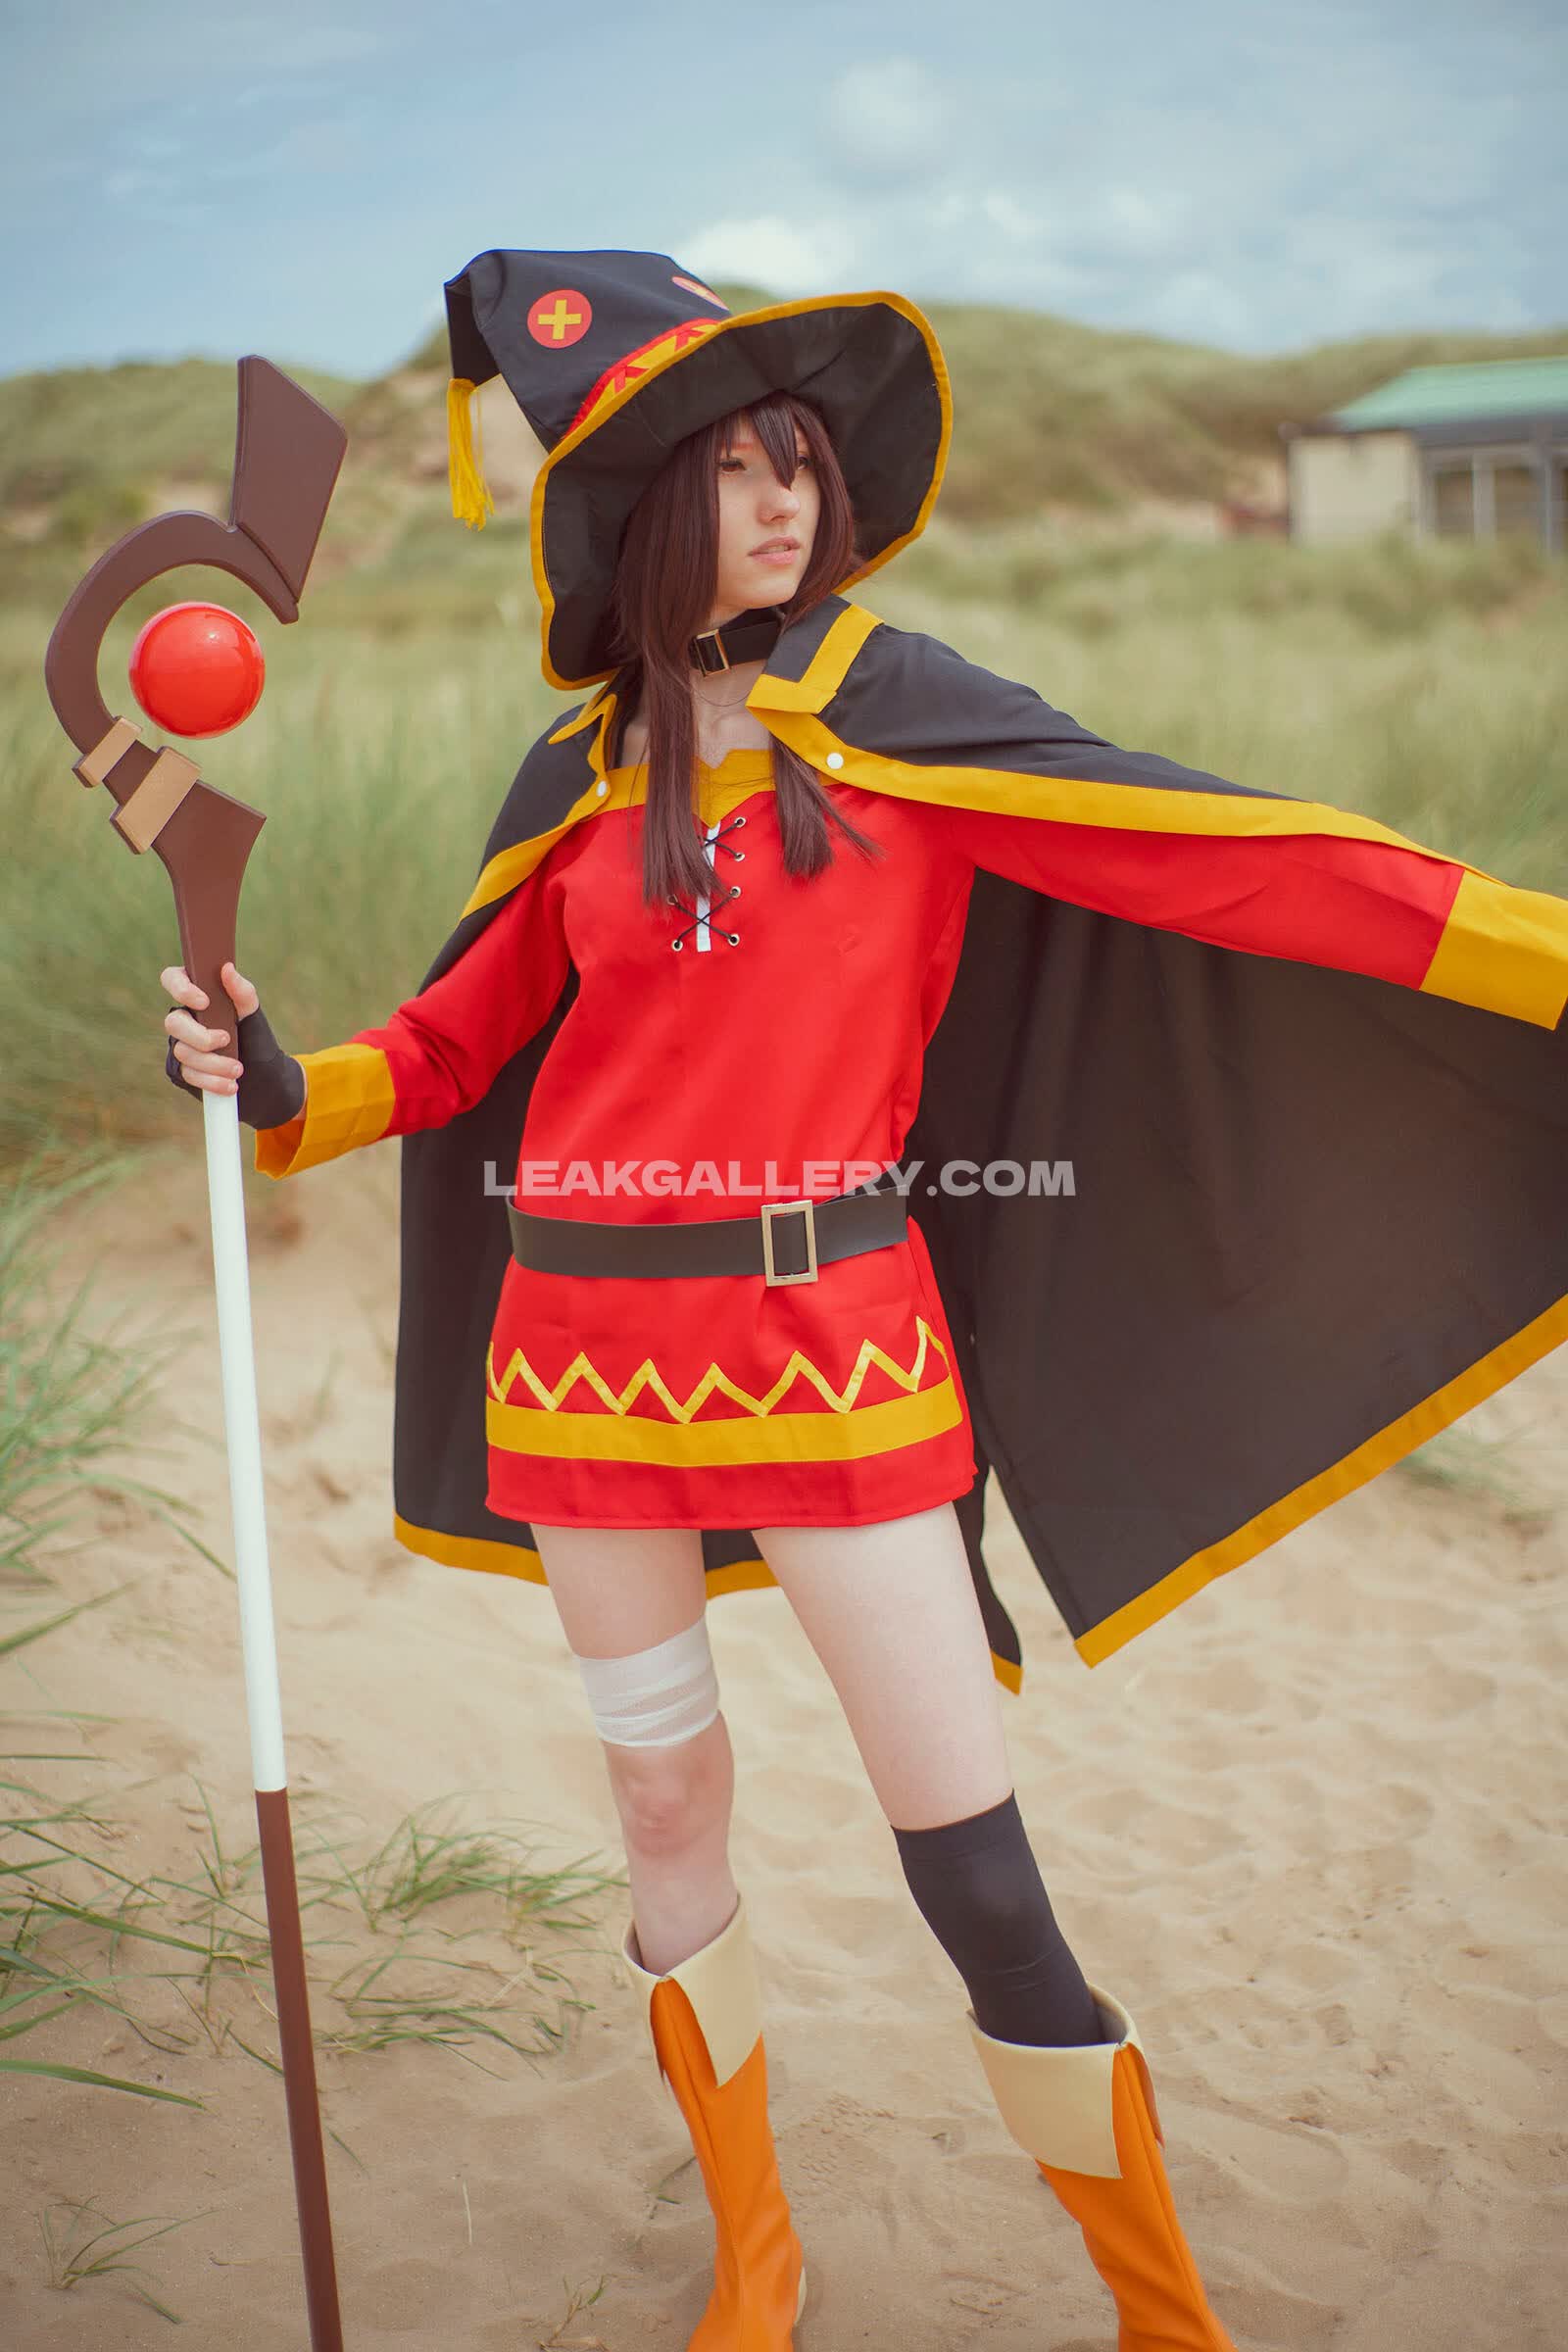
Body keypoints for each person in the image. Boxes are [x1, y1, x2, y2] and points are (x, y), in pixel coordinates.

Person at [163, 248, 1568, 2351]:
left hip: (836, 1357)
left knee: (971, 1862)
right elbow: (449, 1046)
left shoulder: (899, 711)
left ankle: (1165, 2314)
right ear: (649, 501)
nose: (781, 503)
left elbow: (1236, 857)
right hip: (581, 1371)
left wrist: (1537, 950)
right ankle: (758, 2260)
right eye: (735, 470)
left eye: (798, 465)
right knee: (663, 1805)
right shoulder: (579, 772)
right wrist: (282, 1083)